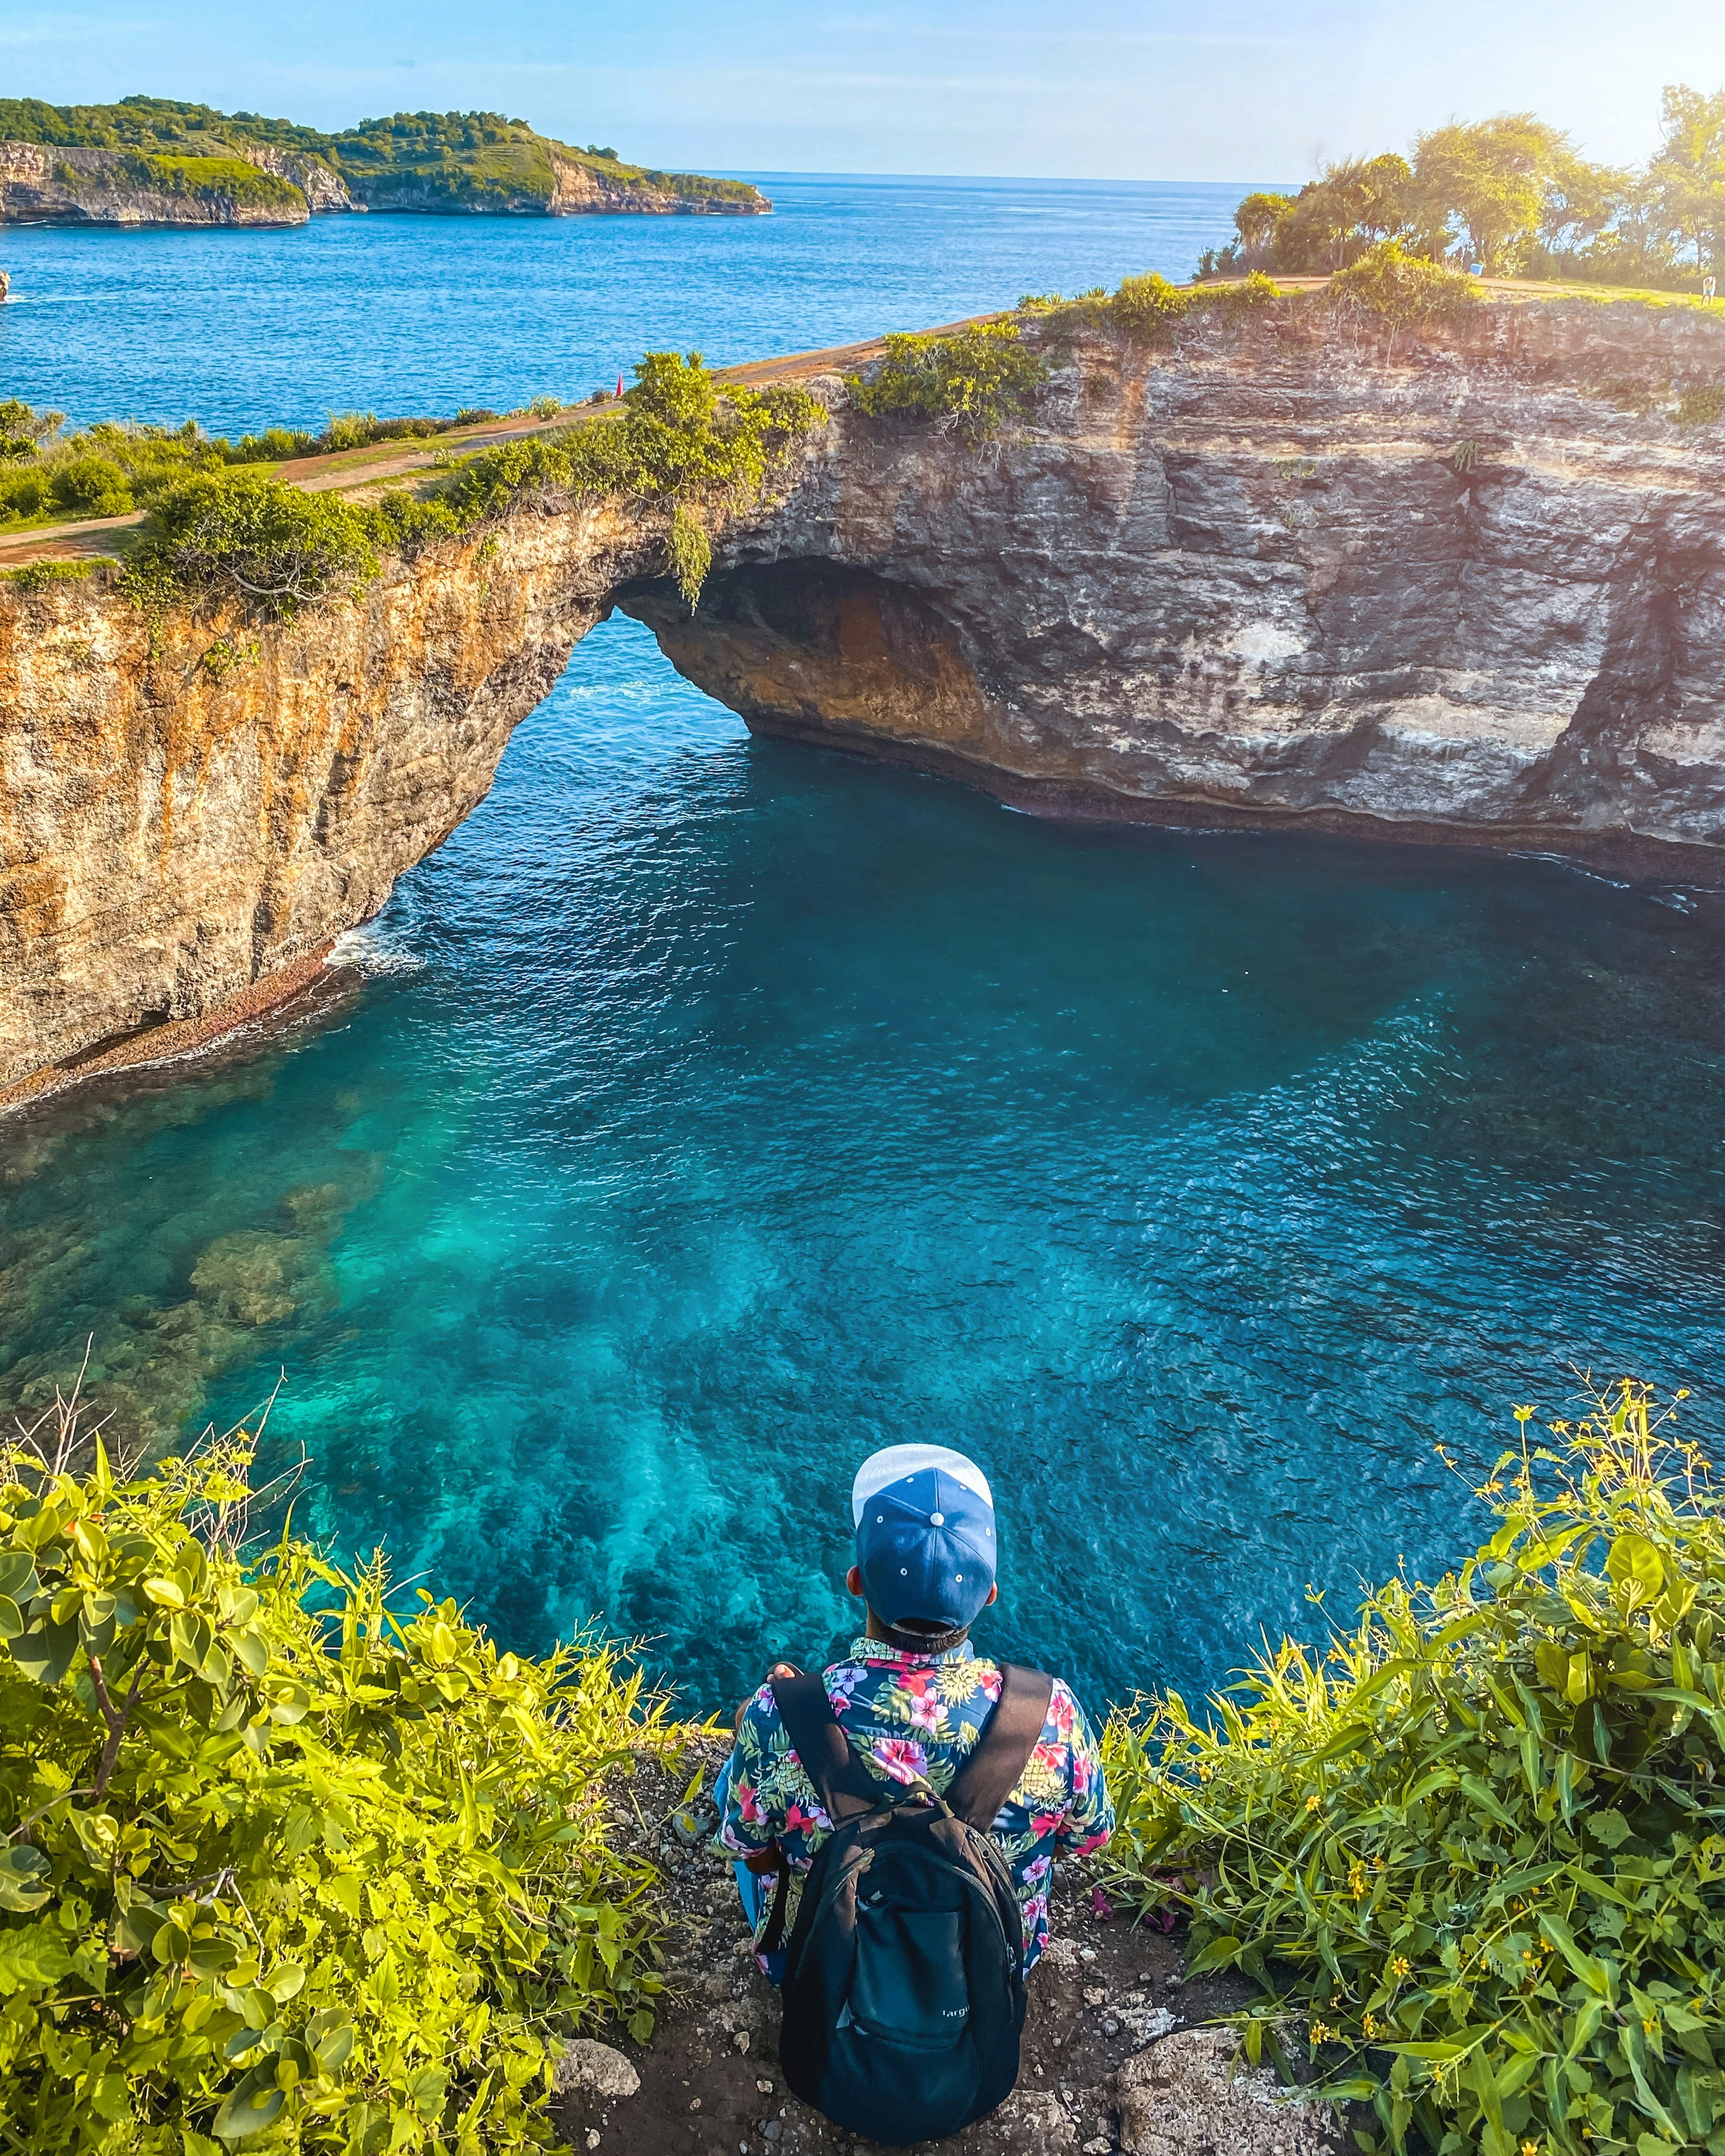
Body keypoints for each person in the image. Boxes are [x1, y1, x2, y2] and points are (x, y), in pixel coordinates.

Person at [713, 1443, 1113, 1984]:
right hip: (981, 1977)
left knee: (741, 1774)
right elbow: (1087, 1840)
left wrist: (782, 1708)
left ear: (855, 1582)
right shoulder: (1051, 1715)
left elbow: (750, 1849)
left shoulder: (780, 1715)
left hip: (825, 1973)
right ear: (990, 1594)